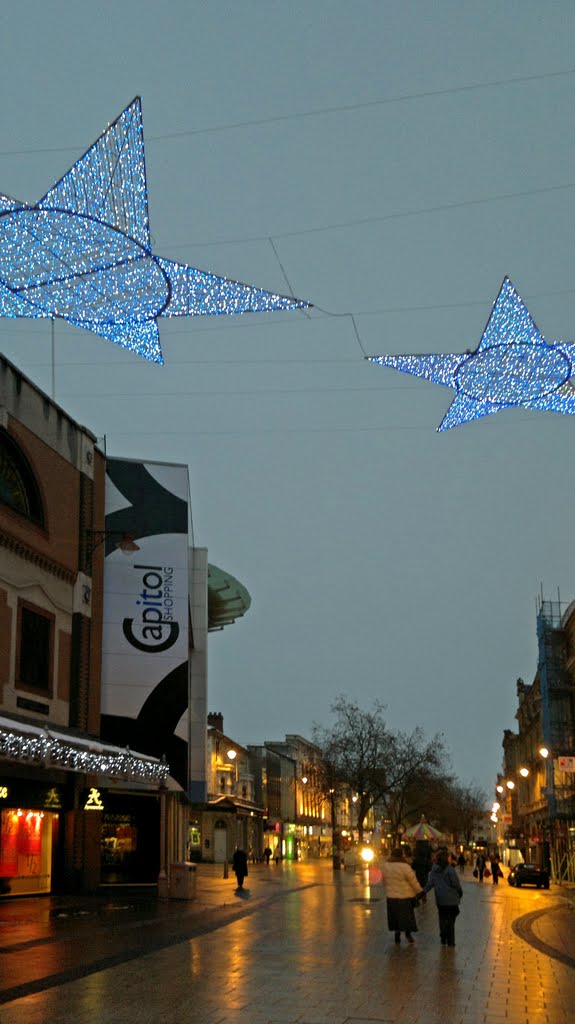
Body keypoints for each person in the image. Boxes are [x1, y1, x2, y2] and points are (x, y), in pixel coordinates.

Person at [381, 847, 424, 944]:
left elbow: (384, 881)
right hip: (405, 897)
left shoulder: (385, 866)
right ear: (401, 855)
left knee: (395, 917)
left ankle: (397, 934)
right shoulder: (405, 866)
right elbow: (413, 881)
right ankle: (408, 935)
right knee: (407, 917)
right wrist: (420, 891)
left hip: (391, 897)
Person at [424, 848, 463, 946]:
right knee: (451, 920)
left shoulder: (434, 870)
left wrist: (421, 892)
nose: (450, 858)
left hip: (440, 899)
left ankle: (443, 936)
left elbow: (430, 884)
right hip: (452, 900)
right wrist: (460, 892)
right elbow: (455, 883)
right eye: (449, 857)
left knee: (442, 917)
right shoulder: (450, 869)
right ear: (446, 858)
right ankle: (451, 941)